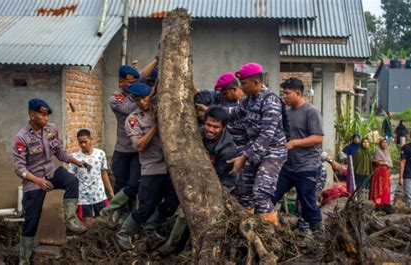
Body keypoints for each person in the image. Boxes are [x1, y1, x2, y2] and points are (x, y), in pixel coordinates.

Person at [13, 98, 89, 264]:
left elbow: (59, 153)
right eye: (42, 115)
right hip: (34, 180)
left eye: (47, 115)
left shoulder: (51, 130)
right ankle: (24, 259)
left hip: (52, 172)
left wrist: (76, 161)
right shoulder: (22, 137)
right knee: (31, 221)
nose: (46, 119)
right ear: (32, 115)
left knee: (71, 180)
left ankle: (71, 220)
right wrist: (38, 181)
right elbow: (19, 168)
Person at [158, 106, 238, 255]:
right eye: (208, 124)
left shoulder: (228, 149)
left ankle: (191, 249)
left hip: (222, 185)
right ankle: (172, 245)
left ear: (223, 128)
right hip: (197, 180)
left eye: (216, 127)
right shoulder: (197, 134)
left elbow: (222, 177)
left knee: (201, 214)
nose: (210, 130)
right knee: (184, 211)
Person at [116, 82, 179, 250]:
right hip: (151, 167)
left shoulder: (161, 108)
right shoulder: (133, 120)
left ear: (150, 95)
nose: (142, 102)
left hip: (169, 166)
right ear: (133, 100)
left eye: (145, 98)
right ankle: (123, 233)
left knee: (173, 202)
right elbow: (139, 146)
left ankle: (151, 228)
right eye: (137, 100)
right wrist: (155, 126)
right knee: (146, 206)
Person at [227, 63, 287, 225]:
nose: (241, 87)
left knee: (261, 194)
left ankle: (271, 234)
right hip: (254, 152)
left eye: (244, 84)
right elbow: (233, 113)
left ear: (256, 82)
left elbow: (266, 135)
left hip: (272, 152)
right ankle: (249, 228)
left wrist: (244, 157)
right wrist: (209, 111)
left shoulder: (271, 101)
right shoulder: (248, 100)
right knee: (243, 192)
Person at [272, 77, 325, 238]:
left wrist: (295, 143)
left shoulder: (311, 112)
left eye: (287, 94)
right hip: (288, 167)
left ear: (298, 93)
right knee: (270, 195)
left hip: (307, 167)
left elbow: (318, 138)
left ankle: (320, 237)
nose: (284, 97)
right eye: (283, 93)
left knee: (308, 204)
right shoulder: (286, 113)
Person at [107, 65, 142, 218]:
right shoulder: (116, 98)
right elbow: (129, 109)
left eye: (136, 81)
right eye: (130, 83)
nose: (133, 85)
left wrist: (155, 61)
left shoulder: (139, 93)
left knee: (134, 185)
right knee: (120, 185)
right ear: (121, 82)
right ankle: (117, 215)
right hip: (122, 150)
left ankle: (130, 217)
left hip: (137, 151)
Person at [68, 129, 114, 227]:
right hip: (83, 197)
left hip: (99, 195)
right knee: (87, 224)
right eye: (80, 142)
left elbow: (104, 173)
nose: (83, 145)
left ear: (91, 140)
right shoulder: (75, 158)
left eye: (85, 141)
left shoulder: (100, 154)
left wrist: (110, 192)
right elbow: (71, 178)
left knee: (104, 222)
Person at [213, 72, 248, 152]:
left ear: (234, 90)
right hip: (225, 146)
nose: (223, 96)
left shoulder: (249, 102)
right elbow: (203, 94)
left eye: (225, 93)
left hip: (243, 148)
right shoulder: (222, 97)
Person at [370, 138, 393, 213]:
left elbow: (390, 163)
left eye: (386, 143)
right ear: (380, 143)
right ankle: (378, 204)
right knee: (378, 189)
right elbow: (376, 162)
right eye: (383, 142)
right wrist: (385, 163)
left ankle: (385, 204)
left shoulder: (387, 152)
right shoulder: (377, 151)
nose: (385, 144)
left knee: (386, 190)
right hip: (379, 175)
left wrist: (386, 164)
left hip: (386, 175)